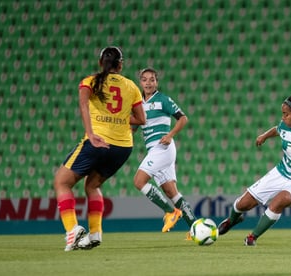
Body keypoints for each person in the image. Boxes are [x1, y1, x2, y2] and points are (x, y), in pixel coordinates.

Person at [53, 46, 146, 251]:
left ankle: (72, 230)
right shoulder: (131, 87)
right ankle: (95, 234)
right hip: (122, 147)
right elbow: (141, 119)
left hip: (97, 142)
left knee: (61, 182)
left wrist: (91, 134)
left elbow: (84, 105)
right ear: (120, 65)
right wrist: (120, 118)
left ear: (100, 63)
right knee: (92, 186)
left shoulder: (90, 81)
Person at [218, 93, 291, 246]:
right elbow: (277, 130)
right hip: (281, 172)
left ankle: (252, 237)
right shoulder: (286, 124)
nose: (283, 117)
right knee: (242, 204)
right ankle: (232, 219)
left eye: (286, 114)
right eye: (282, 114)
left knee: (279, 201)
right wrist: (264, 136)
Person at [132, 68, 196, 237]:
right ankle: (196, 229)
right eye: (144, 80)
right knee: (171, 192)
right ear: (140, 82)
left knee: (139, 181)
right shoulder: (137, 104)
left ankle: (170, 212)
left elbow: (183, 118)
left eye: (151, 79)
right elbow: (133, 127)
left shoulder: (163, 100)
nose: (148, 83)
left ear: (156, 82)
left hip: (162, 148)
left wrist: (170, 135)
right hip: (154, 150)